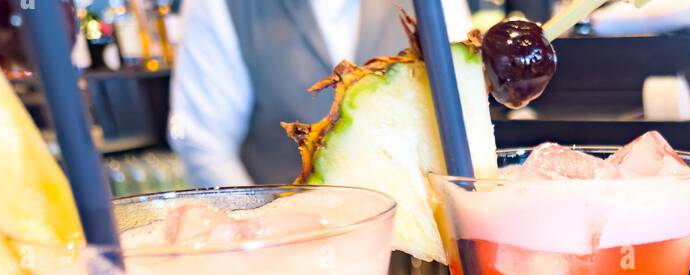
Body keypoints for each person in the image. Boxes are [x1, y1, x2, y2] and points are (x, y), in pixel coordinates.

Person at [169, 0, 472, 188]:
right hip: (292, 265)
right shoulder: (220, 5)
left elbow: (466, 117)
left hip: (422, 265)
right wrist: (260, 237)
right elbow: (205, 143)